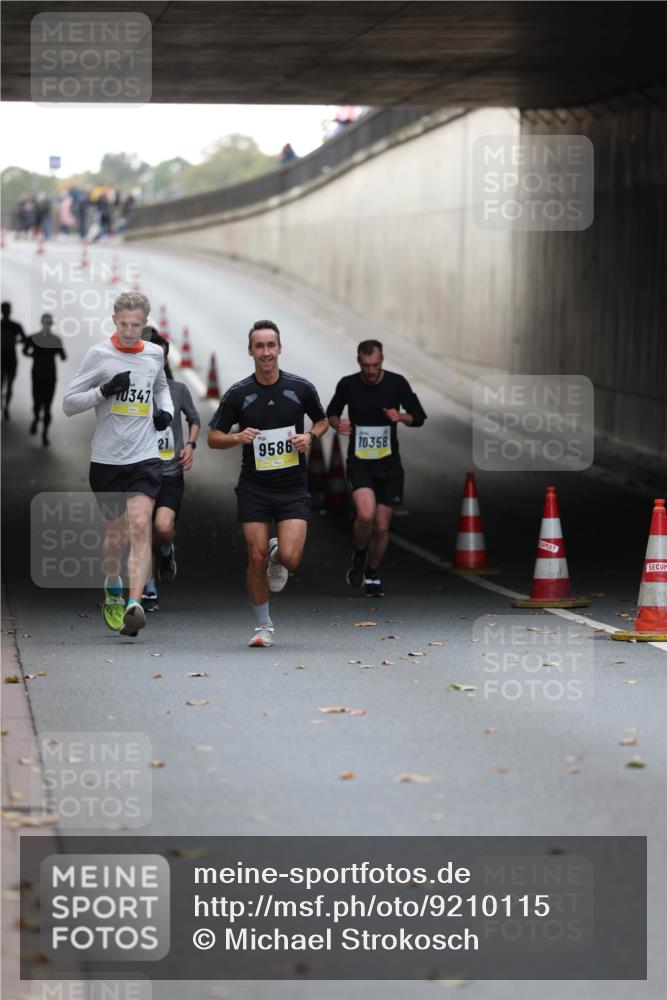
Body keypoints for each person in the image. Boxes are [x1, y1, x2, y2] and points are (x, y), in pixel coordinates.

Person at [207, 319, 328, 647]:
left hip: (291, 488)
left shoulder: (300, 388)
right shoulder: (239, 394)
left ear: (279, 348)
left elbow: (323, 419)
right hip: (254, 488)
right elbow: (212, 438)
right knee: (255, 556)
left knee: (291, 558)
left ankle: (279, 553)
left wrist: (309, 436)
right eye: (259, 346)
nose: (265, 352)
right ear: (250, 350)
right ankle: (264, 627)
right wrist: (237, 437)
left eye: (270, 345)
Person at [63, 291, 173, 637]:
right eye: (124, 324)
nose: (129, 331)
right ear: (114, 320)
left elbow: (161, 386)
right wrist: (105, 390)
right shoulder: (100, 355)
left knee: (141, 525)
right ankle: (113, 583)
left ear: (145, 323)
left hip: (144, 457)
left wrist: (165, 412)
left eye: (136, 325)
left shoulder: (154, 354)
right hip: (107, 461)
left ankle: (134, 602)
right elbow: (69, 403)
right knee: (116, 538)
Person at [326, 339, 427, 597]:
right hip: (360, 463)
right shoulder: (348, 384)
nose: (371, 371)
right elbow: (332, 412)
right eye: (366, 365)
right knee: (366, 516)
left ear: (382, 360)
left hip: (389, 466)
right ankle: (359, 553)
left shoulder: (397, 383)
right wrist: (339, 424)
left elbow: (419, 416)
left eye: (375, 365)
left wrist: (400, 416)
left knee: (381, 527)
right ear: (359, 361)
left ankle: (372, 571)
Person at [140, 328, 201, 612]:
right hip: (139, 474)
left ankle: (166, 551)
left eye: (163, 358)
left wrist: (190, 445)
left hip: (170, 475)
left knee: (162, 528)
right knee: (141, 532)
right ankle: (149, 589)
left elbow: (195, 418)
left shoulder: (178, 391)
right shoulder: (135, 391)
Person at [23, 314, 67, 446]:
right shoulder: (55, 339)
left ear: (42, 323)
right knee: (47, 406)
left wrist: (34, 355)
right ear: (50, 323)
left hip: (37, 373)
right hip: (49, 375)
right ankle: (44, 434)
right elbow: (63, 357)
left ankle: (37, 419)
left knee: (38, 403)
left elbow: (25, 351)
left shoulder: (34, 337)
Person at [1, 301, 26, 419]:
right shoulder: (15, 326)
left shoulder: (14, 326)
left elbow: (24, 339)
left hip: (7, 358)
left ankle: (4, 406)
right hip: (10, 357)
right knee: (8, 385)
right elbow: (24, 339)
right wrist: (15, 341)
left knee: (6, 384)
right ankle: (5, 407)